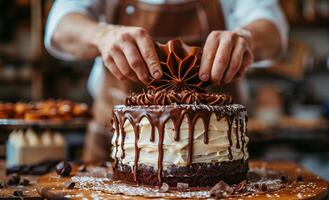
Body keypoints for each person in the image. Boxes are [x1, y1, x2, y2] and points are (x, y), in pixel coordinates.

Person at [45, 0, 288, 163]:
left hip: (216, 151)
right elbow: (60, 26)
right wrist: (100, 34)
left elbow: (272, 28)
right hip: (114, 145)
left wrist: (249, 38)